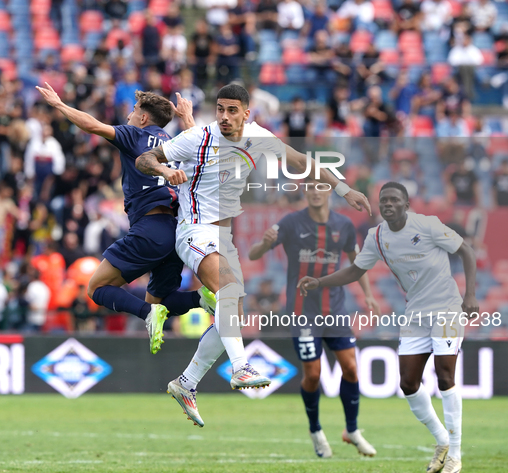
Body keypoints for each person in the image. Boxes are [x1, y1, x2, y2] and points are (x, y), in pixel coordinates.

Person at [135, 83, 372, 427]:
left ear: (247, 113)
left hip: (223, 237)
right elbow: (145, 159)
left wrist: (344, 189)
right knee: (229, 293)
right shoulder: (198, 136)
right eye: (220, 109)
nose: (225, 117)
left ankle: (185, 383)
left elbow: (301, 162)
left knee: (231, 312)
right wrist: (165, 170)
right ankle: (241, 367)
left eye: (233, 111)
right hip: (194, 230)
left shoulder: (259, 137)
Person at [298, 182, 478, 473]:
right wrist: (320, 282)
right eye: (383, 201)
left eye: (394, 200)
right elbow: (356, 270)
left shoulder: (429, 225)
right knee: (407, 383)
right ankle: (442, 440)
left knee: (445, 376)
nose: (388, 205)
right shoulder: (377, 236)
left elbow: (466, 251)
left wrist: (470, 295)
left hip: (446, 309)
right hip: (415, 314)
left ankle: (455, 456)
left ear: (406, 205)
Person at [36, 83, 215, 354]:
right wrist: (186, 117)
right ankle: (201, 299)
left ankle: (146, 314)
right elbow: (197, 144)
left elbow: (93, 125)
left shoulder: (134, 135)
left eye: (133, 111)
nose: (129, 116)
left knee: (97, 287)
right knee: (162, 300)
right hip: (177, 232)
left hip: (150, 228)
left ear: (144, 118)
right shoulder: (177, 144)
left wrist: (59, 105)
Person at [248, 177, 378, 458]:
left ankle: (352, 430)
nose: (315, 192)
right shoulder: (291, 222)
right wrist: (264, 243)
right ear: (304, 191)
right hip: (301, 312)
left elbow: (357, 263)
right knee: (314, 374)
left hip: (335, 309)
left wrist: (367, 294)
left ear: (329, 191)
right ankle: (316, 429)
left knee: (351, 368)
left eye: (321, 186)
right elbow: (253, 253)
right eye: (309, 187)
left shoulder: (343, 225)